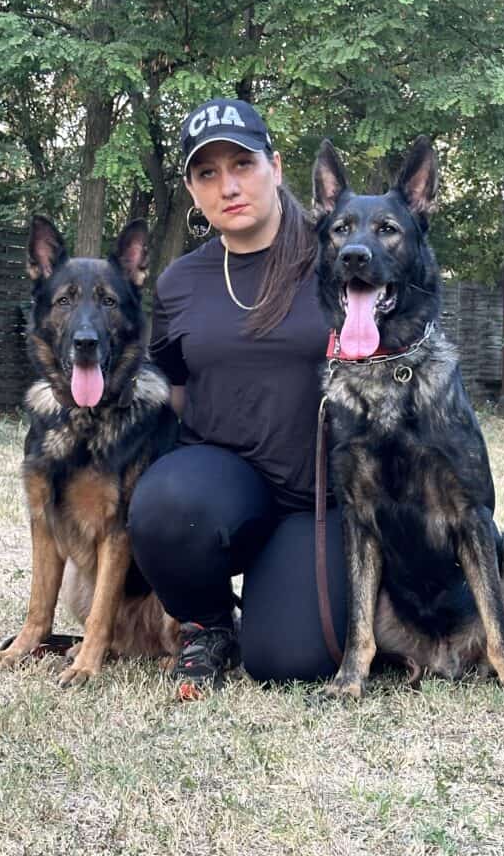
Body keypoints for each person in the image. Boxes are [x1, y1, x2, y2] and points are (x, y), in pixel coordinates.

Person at [128, 98, 347, 699]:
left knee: (289, 660)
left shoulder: (336, 261)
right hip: (225, 482)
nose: (228, 185)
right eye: (207, 173)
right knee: (165, 503)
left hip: (322, 499)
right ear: (193, 189)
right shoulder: (180, 283)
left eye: (243, 164)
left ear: (275, 167)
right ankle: (210, 624)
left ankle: (284, 604)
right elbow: (167, 387)